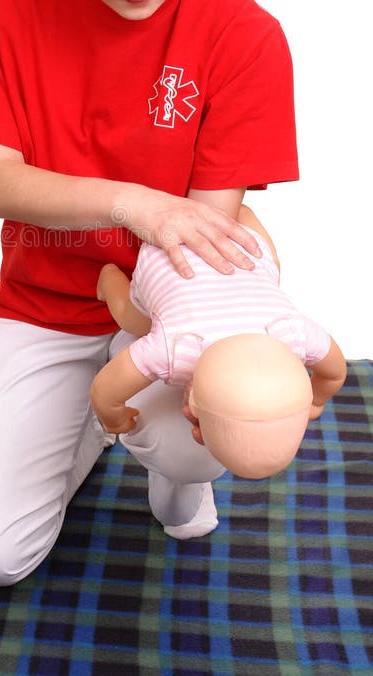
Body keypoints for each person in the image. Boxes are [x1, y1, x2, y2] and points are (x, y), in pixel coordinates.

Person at [0, 0, 300, 586]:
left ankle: (167, 470)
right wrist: (132, 201)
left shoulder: (247, 37)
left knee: (190, 440)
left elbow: (200, 250)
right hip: (43, 301)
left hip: (165, 306)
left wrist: (146, 351)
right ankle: (88, 431)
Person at [91, 205, 346, 491]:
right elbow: (105, 390)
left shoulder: (295, 331)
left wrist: (317, 398)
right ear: (194, 410)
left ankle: (240, 212)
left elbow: (334, 373)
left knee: (269, 263)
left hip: (236, 245)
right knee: (132, 319)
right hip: (168, 250)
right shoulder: (176, 346)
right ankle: (108, 278)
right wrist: (114, 417)